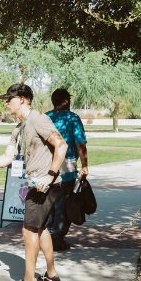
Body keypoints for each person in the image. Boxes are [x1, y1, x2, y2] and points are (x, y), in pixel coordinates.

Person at [0, 83, 68, 281]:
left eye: (10, 98)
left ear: (22, 99)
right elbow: (7, 158)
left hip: (45, 184)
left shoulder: (37, 119)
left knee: (28, 229)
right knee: (40, 227)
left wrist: (50, 174)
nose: (6, 103)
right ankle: (51, 275)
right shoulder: (19, 128)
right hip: (38, 184)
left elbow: (61, 145)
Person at [44, 88, 89, 251]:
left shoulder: (46, 117)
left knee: (49, 202)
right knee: (62, 202)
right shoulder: (72, 118)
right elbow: (80, 144)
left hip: (46, 166)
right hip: (66, 165)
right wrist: (84, 166)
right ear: (65, 101)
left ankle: (47, 235)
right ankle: (56, 239)